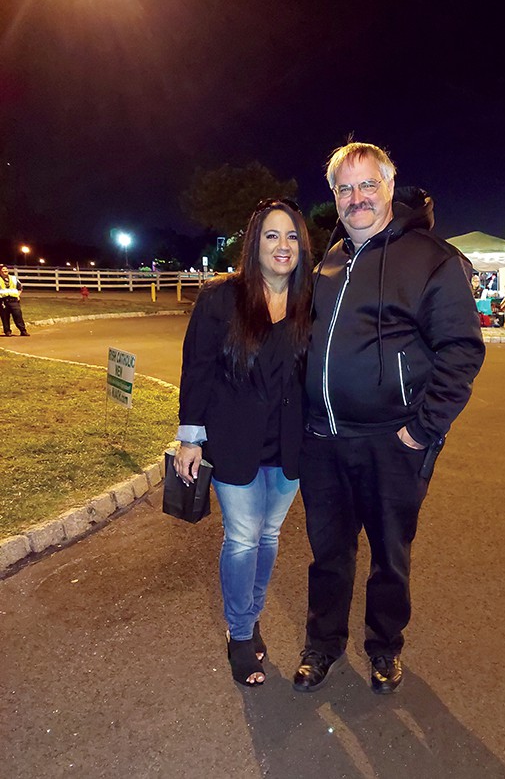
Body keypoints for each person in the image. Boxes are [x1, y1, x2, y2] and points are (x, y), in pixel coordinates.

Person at [293, 142, 486, 695]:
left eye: (366, 185)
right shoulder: (328, 262)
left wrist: (422, 430)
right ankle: (322, 644)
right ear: (334, 197)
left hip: (392, 443)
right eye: (344, 189)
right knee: (328, 554)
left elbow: (462, 352)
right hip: (324, 441)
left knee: (388, 556)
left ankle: (384, 647)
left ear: (388, 187)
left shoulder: (431, 259)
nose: (356, 198)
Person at [174, 200, 312, 687]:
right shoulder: (221, 299)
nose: (283, 246)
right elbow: (198, 368)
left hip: (290, 447)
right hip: (234, 442)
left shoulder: (310, 301)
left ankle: (251, 619)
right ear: (254, 243)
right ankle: (239, 634)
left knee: (269, 537)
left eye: (292, 236)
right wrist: (191, 438)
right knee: (242, 538)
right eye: (272, 236)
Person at [0, 264, 30, 337]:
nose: (5, 270)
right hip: (3, 300)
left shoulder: (13, 278)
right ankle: (7, 331)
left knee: (18, 315)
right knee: (5, 317)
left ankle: (23, 330)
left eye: (6, 269)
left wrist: (18, 295)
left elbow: (20, 288)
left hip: (14, 300)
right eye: (3, 269)